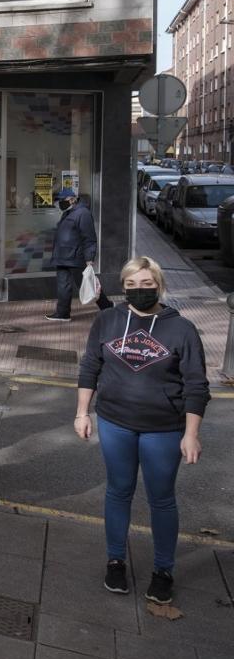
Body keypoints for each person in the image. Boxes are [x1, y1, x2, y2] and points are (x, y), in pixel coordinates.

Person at [75, 257, 209, 605]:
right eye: (132, 285)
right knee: (118, 491)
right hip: (115, 422)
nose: (139, 291)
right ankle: (116, 561)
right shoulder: (108, 320)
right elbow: (90, 366)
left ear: (160, 285)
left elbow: (197, 386)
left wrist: (191, 433)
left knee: (161, 498)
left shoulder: (182, 330)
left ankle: (163, 570)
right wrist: (81, 412)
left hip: (163, 429)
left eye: (147, 284)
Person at [46, 188, 112, 322]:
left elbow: (89, 238)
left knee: (88, 283)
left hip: (75, 257)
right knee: (63, 286)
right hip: (62, 257)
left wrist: (89, 258)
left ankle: (108, 308)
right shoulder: (68, 212)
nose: (59, 204)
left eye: (61, 201)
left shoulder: (83, 213)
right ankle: (63, 313)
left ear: (72, 199)